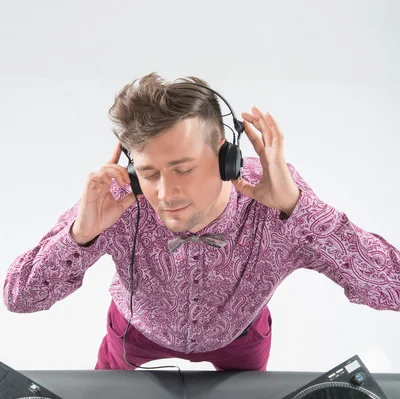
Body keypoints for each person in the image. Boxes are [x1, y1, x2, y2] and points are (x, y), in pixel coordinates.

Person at [3, 73, 400, 371]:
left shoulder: (279, 196)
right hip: (134, 335)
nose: (165, 194)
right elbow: (19, 298)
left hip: (240, 339)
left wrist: (300, 210)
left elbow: (392, 286)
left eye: (184, 169)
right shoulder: (119, 196)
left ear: (227, 158)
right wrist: (81, 235)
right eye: (151, 173)